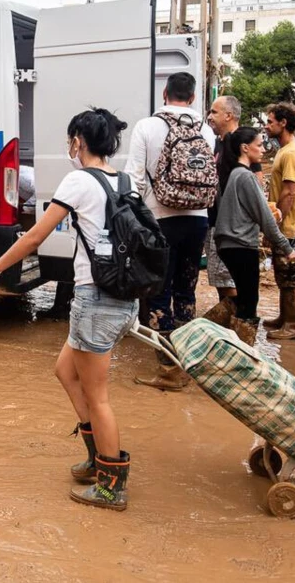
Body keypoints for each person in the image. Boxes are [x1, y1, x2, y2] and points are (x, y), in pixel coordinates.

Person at [0, 109, 137, 510]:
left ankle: (110, 485)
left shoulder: (79, 180)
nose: (69, 147)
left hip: (96, 299)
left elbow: (33, 238)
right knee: (65, 370)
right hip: (120, 297)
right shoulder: (125, 181)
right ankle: (96, 458)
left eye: (70, 140)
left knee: (98, 396)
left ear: (78, 141)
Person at [125, 72, 216, 390]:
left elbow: (134, 179)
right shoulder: (206, 129)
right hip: (198, 220)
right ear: (192, 97)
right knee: (187, 292)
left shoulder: (147, 126)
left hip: (159, 220)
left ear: (165, 93)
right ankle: (188, 363)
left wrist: (135, 220)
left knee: (159, 295)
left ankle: (168, 371)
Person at [214, 127, 295, 345]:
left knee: (241, 298)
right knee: (249, 302)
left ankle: (215, 336)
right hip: (241, 245)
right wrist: (287, 249)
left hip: (228, 243)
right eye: (259, 145)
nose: (263, 150)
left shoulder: (234, 174)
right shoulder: (246, 177)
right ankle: (242, 354)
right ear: (245, 148)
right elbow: (265, 219)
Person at [259, 103, 295, 340]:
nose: (266, 126)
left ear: (283, 123)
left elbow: (289, 192)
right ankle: (285, 318)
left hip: (288, 226)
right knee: (282, 273)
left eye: (270, 122)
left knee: (291, 276)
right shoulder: (286, 149)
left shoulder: (290, 153)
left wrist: (275, 225)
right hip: (285, 224)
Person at [203, 96, 244, 305]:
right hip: (216, 221)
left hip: (230, 225)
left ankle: (238, 326)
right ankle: (230, 324)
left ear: (229, 116)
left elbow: (255, 180)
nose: (209, 117)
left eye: (214, 112)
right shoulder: (219, 143)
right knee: (219, 278)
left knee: (228, 279)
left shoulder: (239, 142)